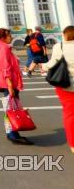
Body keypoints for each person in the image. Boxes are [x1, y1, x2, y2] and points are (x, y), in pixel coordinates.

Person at [0, 28, 32, 145]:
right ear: (3, 37)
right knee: (12, 108)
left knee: (9, 107)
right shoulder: (3, 47)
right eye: (9, 35)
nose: (11, 37)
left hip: (2, 80)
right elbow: (5, 66)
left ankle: (11, 133)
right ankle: (13, 135)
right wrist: (10, 85)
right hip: (8, 81)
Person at [43, 25, 74, 154]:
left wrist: (43, 66)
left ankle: (73, 144)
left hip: (65, 85)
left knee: (69, 115)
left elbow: (51, 64)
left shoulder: (58, 46)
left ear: (65, 34)